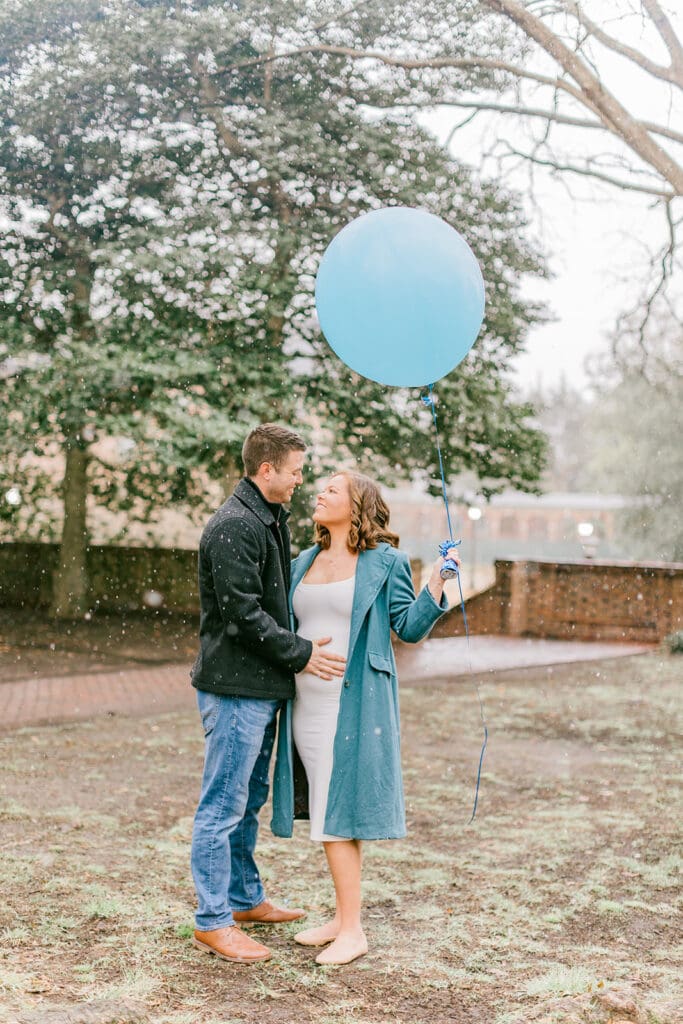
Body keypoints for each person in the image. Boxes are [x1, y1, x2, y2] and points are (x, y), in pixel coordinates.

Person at [271, 471, 457, 965]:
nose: (320, 493)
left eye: (332, 489)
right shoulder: (301, 563)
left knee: (335, 814)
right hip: (304, 703)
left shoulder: (386, 562)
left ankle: (353, 931)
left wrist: (436, 581)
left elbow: (409, 628)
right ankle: (340, 917)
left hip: (353, 703)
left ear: (356, 505)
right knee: (336, 813)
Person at [190, 424, 347, 965]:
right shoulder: (236, 525)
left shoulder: (267, 519)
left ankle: (243, 900)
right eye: (296, 470)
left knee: (248, 802)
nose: (301, 480)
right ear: (266, 470)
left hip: (258, 688)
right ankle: (212, 921)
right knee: (222, 806)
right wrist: (302, 652)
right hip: (234, 690)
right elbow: (242, 614)